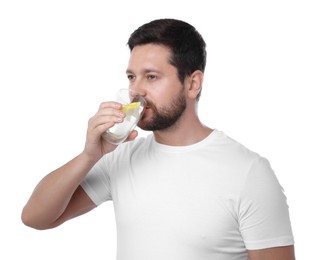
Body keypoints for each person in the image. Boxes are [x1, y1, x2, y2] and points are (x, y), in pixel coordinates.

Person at [21, 18, 295, 260]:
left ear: (192, 83)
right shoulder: (120, 157)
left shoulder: (249, 172)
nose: (136, 91)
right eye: (131, 77)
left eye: (151, 77)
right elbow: (35, 217)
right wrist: (89, 156)